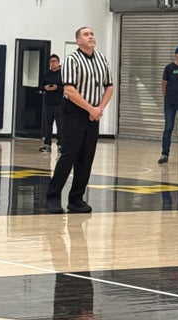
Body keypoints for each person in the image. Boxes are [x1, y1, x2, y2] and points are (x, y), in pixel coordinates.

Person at [46, 26, 113, 214]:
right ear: (78, 40)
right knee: (69, 155)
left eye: (92, 34)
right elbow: (69, 90)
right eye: (86, 34)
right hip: (73, 112)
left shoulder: (102, 59)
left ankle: (76, 199)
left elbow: (109, 86)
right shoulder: (71, 59)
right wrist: (91, 109)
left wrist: (99, 109)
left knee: (86, 157)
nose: (91, 36)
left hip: (94, 114)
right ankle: (52, 197)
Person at [40, 54, 63, 153]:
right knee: (47, 125)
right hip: (48, 103)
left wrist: (57, 87)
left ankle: (61, 145)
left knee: (60, 125)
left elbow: (66, 88)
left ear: (58, 62)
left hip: (59, 104)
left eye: (54, 61)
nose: (53, 63)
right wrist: (45, 88)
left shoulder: (62, 74)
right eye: (51, 62)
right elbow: (41, 86)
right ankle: (47, 144)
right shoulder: (46, 74)